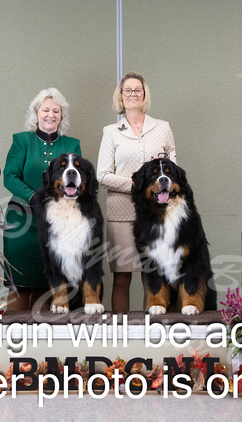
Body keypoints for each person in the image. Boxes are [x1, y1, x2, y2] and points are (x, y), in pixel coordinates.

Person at [97, 72, 176, 312]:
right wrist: (134, 185)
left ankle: (149, 336)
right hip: (121, 213)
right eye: (127, 90)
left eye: (137, 90)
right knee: (122, 278)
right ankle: (120, 338)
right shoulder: (111, 132)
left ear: (144, 94)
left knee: (152, 276)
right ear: (120, 96)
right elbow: (102, 175)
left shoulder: (162, 128)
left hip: (157, 215)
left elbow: (173, 171)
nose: (133, 94)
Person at [3, 88, 82, 310]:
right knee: (18, 285)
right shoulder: (21, 141)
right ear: (36, 113)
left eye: (56, 111)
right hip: (21, 223)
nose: (51, 114)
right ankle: (13, 340)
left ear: (62, 115)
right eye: (45, 109)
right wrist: (33, 197)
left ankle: (43, 342)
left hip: (58, 224)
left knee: (50, 282)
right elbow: (9, 176)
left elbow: (78, 182)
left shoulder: (72, 145)